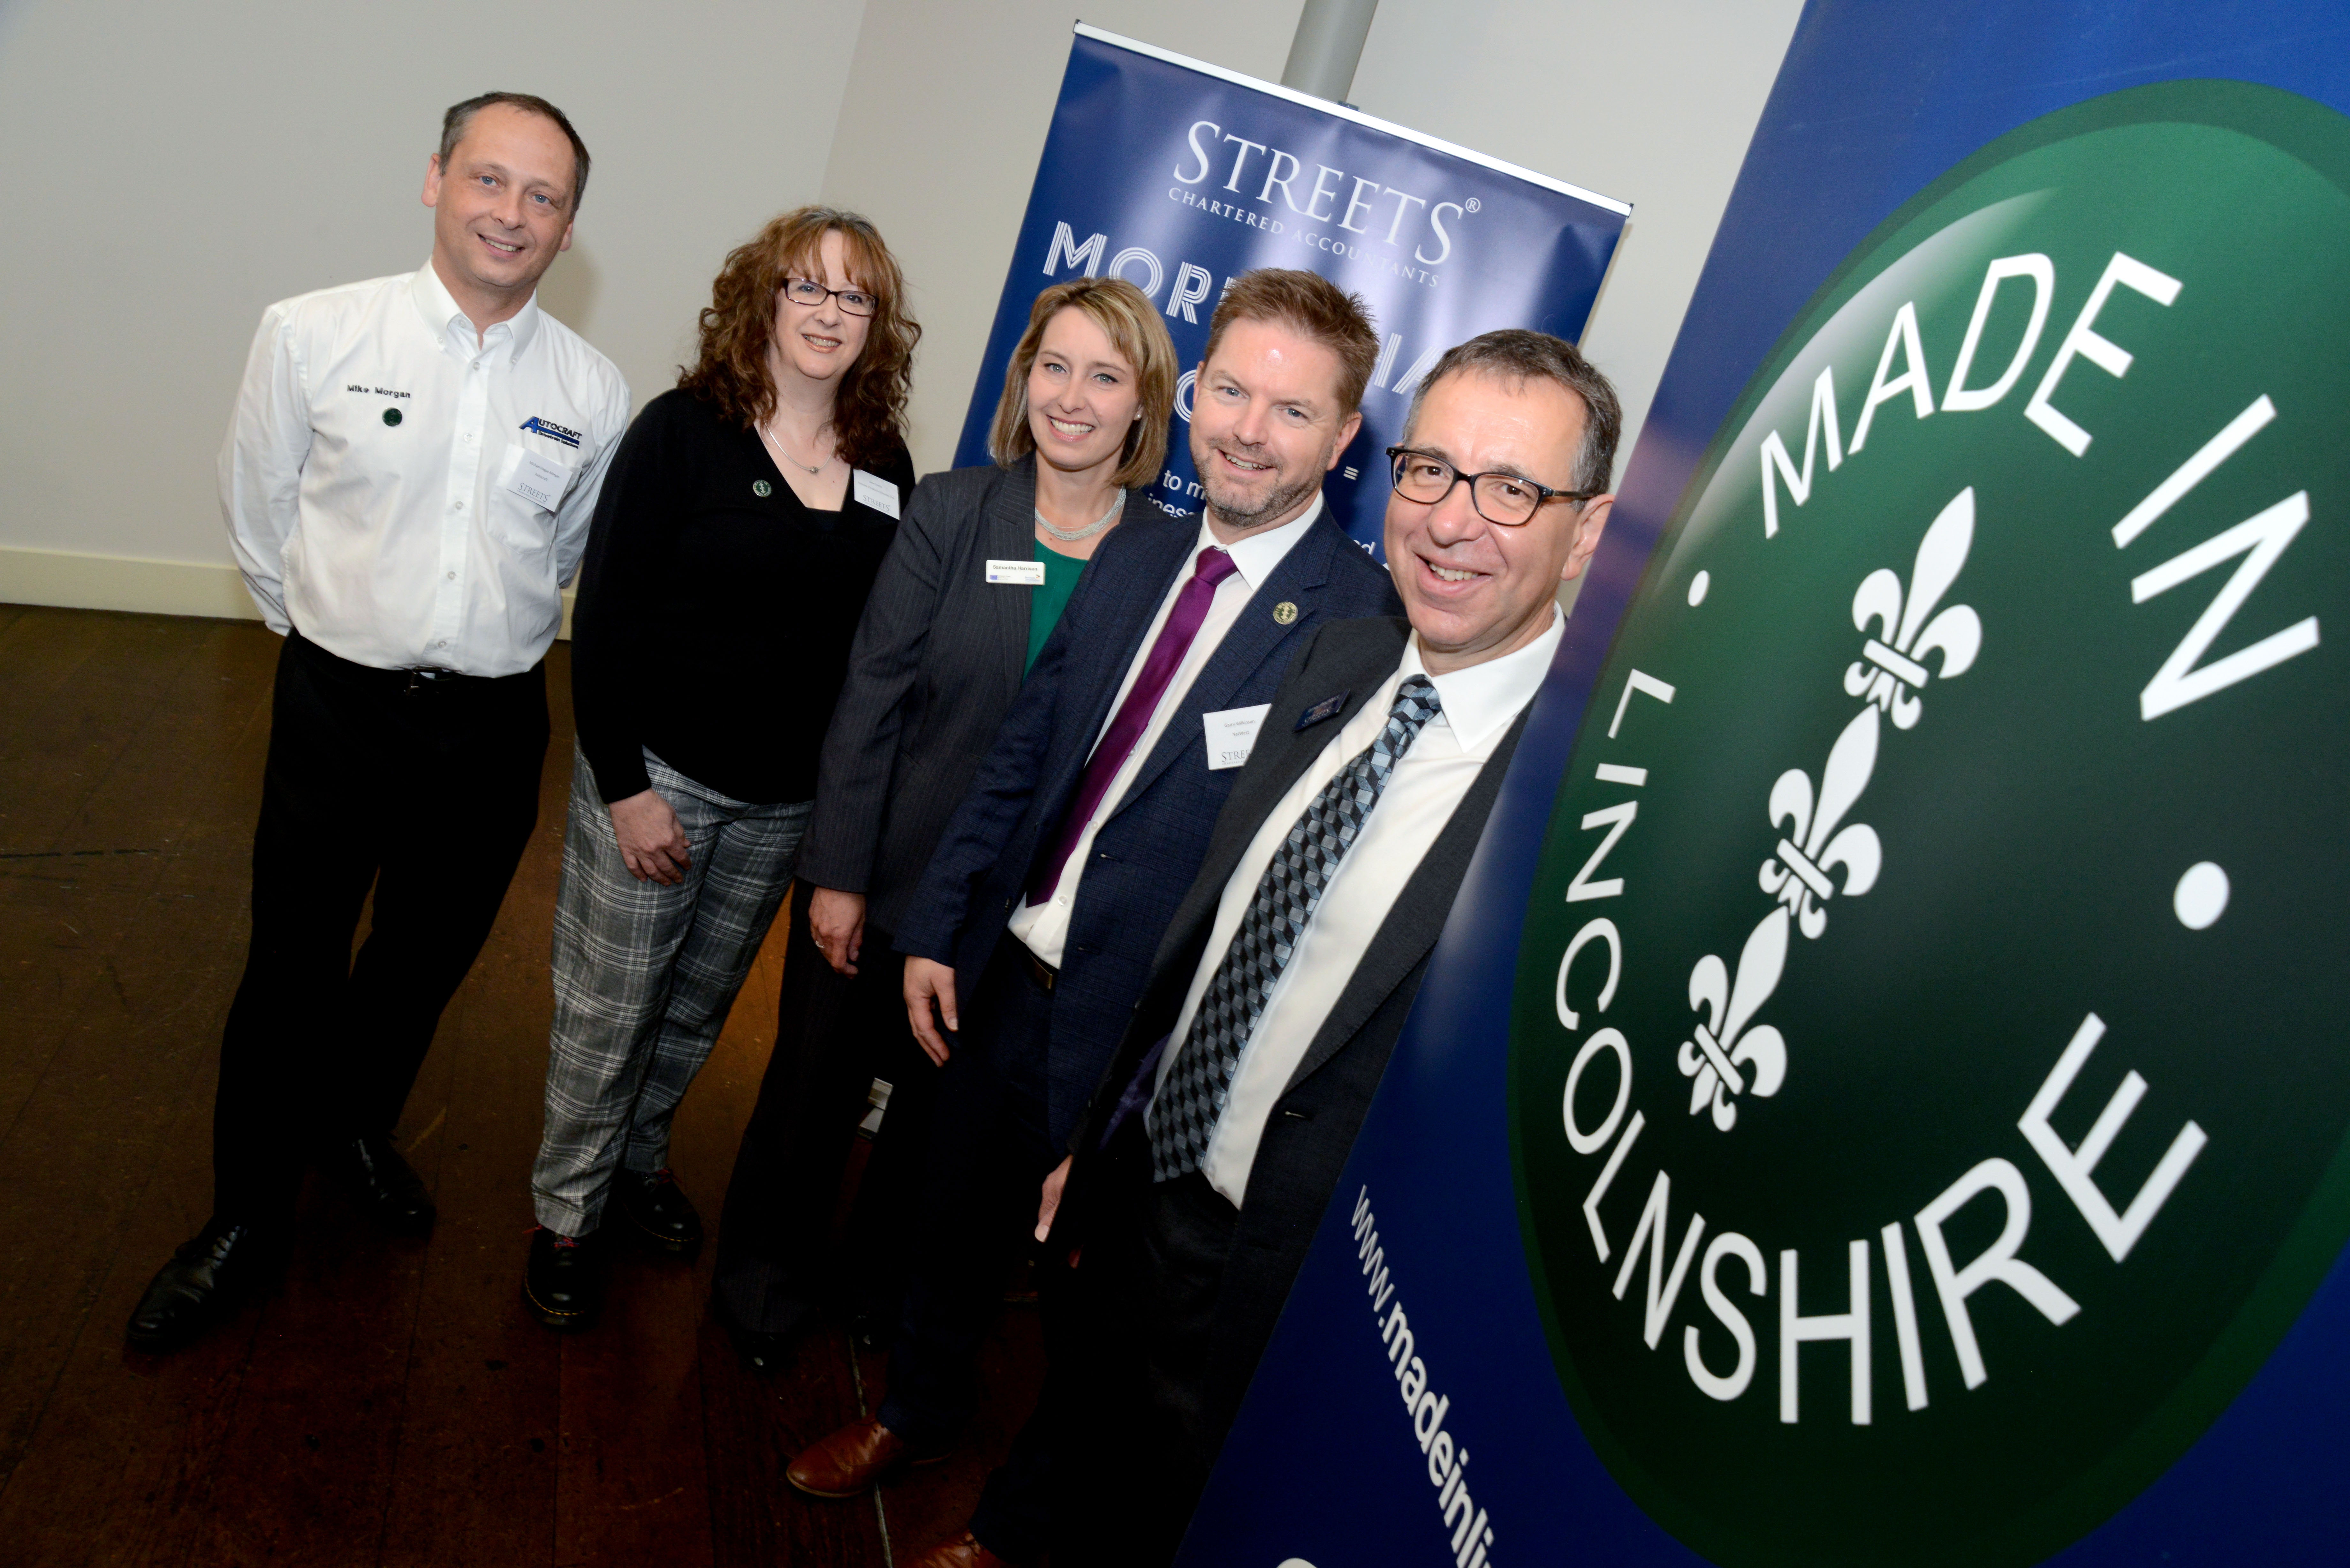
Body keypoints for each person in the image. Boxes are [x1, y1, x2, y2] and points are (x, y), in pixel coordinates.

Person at [785, 270, 1405, 1568]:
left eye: (1290, 410)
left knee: (1099, 1318)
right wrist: (942, 926)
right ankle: (914, 1411)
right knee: (952, 1223)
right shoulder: (1137, 549)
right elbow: (1021, 757)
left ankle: (1015, 1530)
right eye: (1228, 389)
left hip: (1147, 1038)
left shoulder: (1362, 628)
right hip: (1010, 976)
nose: (1244, 427)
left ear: (1345, 438)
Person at [1047, 328, 1622, 1563]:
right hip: (1154, 1194)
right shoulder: (1341, 656)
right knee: (1084, 1475)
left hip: (1303, 1298)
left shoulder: (1584, 799)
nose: (1453, 521)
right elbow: (1209, 933)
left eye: (1513, 489)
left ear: (1586, 531)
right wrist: (1106, 1132)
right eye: (1430, 471)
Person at [127, 94, 631, 1353]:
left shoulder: (592, 387)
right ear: (435, 181)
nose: (511, 213)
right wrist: (331, 636)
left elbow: (565, 552)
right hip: (338, 709)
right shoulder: (313, 333)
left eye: (544, 197)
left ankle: (352, 1124)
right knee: (290, 966)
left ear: (570, 227)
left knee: (423, 957)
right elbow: (259, 515)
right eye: (490, 180)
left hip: (497, 724)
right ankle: (241, 1218)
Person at [709, 276, 1178, 1363]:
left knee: (936, 1126)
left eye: (1105, 376)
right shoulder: (954, 511)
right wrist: (837, 872)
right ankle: (764, 1287)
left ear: (1144, 405)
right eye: (1053, 367)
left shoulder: (1165, 562)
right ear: (1023, 385)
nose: (1073, 397)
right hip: (883, 876)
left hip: (1012, 922)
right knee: (813, 1094)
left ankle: (881, 1288)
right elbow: (870, 698)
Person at [520, 209, 919, 1331]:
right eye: (809, 288)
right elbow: (601, 623)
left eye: (856, 298)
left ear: (877, 324)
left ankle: (636, 1163)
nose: (830, 314)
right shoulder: (681, 433)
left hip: (787, 804)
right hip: (662, 777)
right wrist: (624, 786)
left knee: (693, 1009)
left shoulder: (887, 465)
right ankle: (567, 1213)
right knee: (612, 1008)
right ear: (763, 297)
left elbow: (881, 650)